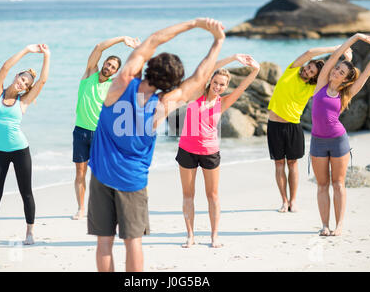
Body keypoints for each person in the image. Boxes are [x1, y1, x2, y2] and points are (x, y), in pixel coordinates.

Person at [87, 18, 225, 272]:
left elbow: (152, 40)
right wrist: (217, 41)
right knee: (133, 243)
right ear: (171, 83)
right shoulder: (164, 104)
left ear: (149, 67)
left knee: (104, 243)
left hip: (102, 174)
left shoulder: (121, 83)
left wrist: (192, 24)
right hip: (133, 180)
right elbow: (200, 78)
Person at [176, 54, 260, 248]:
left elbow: (243, 87)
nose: (218, 87)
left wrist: (255, 70)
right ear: (210, 81)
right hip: (187, 150)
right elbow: (206, 69)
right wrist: (233, 58)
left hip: (210, 152)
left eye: (222, 84)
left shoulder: (223, 103)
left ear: (226, 87)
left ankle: (214, 236)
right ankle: (190, 236)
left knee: (212, 195)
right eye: (215, 82)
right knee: (188, 195)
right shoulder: (196, 94)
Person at [311, 33, 370, 236]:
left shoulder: (346, 94)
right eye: (336, 68)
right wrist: (356, 37)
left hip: (338, 141)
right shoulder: (321, 84)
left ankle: (339, 225)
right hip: (317, 141)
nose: (335, 71)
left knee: (338, 183)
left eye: (341, 72)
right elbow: (335, 57)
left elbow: (367, 74)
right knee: (322, 185)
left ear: (345, 79)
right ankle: (325, 225)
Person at [0, 44, 51, 246]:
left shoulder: (24, 102)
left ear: (27, 89)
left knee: (26, 192)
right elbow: (4, 67)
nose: (22, 84)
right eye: (22, 79)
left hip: (20, 151)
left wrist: (47, 55)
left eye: (27, 84)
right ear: (16, 77)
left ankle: (29, 233)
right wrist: (27, 50)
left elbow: (43, 80)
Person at [267, 45, 352, 213]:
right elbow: (308, 53)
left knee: (292, 163)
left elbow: (335, 77)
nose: (306, 71)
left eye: (311, 72)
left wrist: (346, 60)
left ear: (314, 78)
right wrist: (337, 48)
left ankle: (293, 201)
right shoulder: (292, 70)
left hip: (293, 127)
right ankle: (284, 201)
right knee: (278, 164)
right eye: (308, 67)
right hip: (274, 125)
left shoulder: (313, 88)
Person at [72, 36, 140, 220]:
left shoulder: (113, 86)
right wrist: (122, 39)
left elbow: (133, 72)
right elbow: (98, 47)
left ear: (115, 71)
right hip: (80, 131)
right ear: (103, 63)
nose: (108, 68)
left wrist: (138, 50)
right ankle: (81, 208)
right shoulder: (89, 74)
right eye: (108, 64)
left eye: (113, 67)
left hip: (101, 135)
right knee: (80, 172)